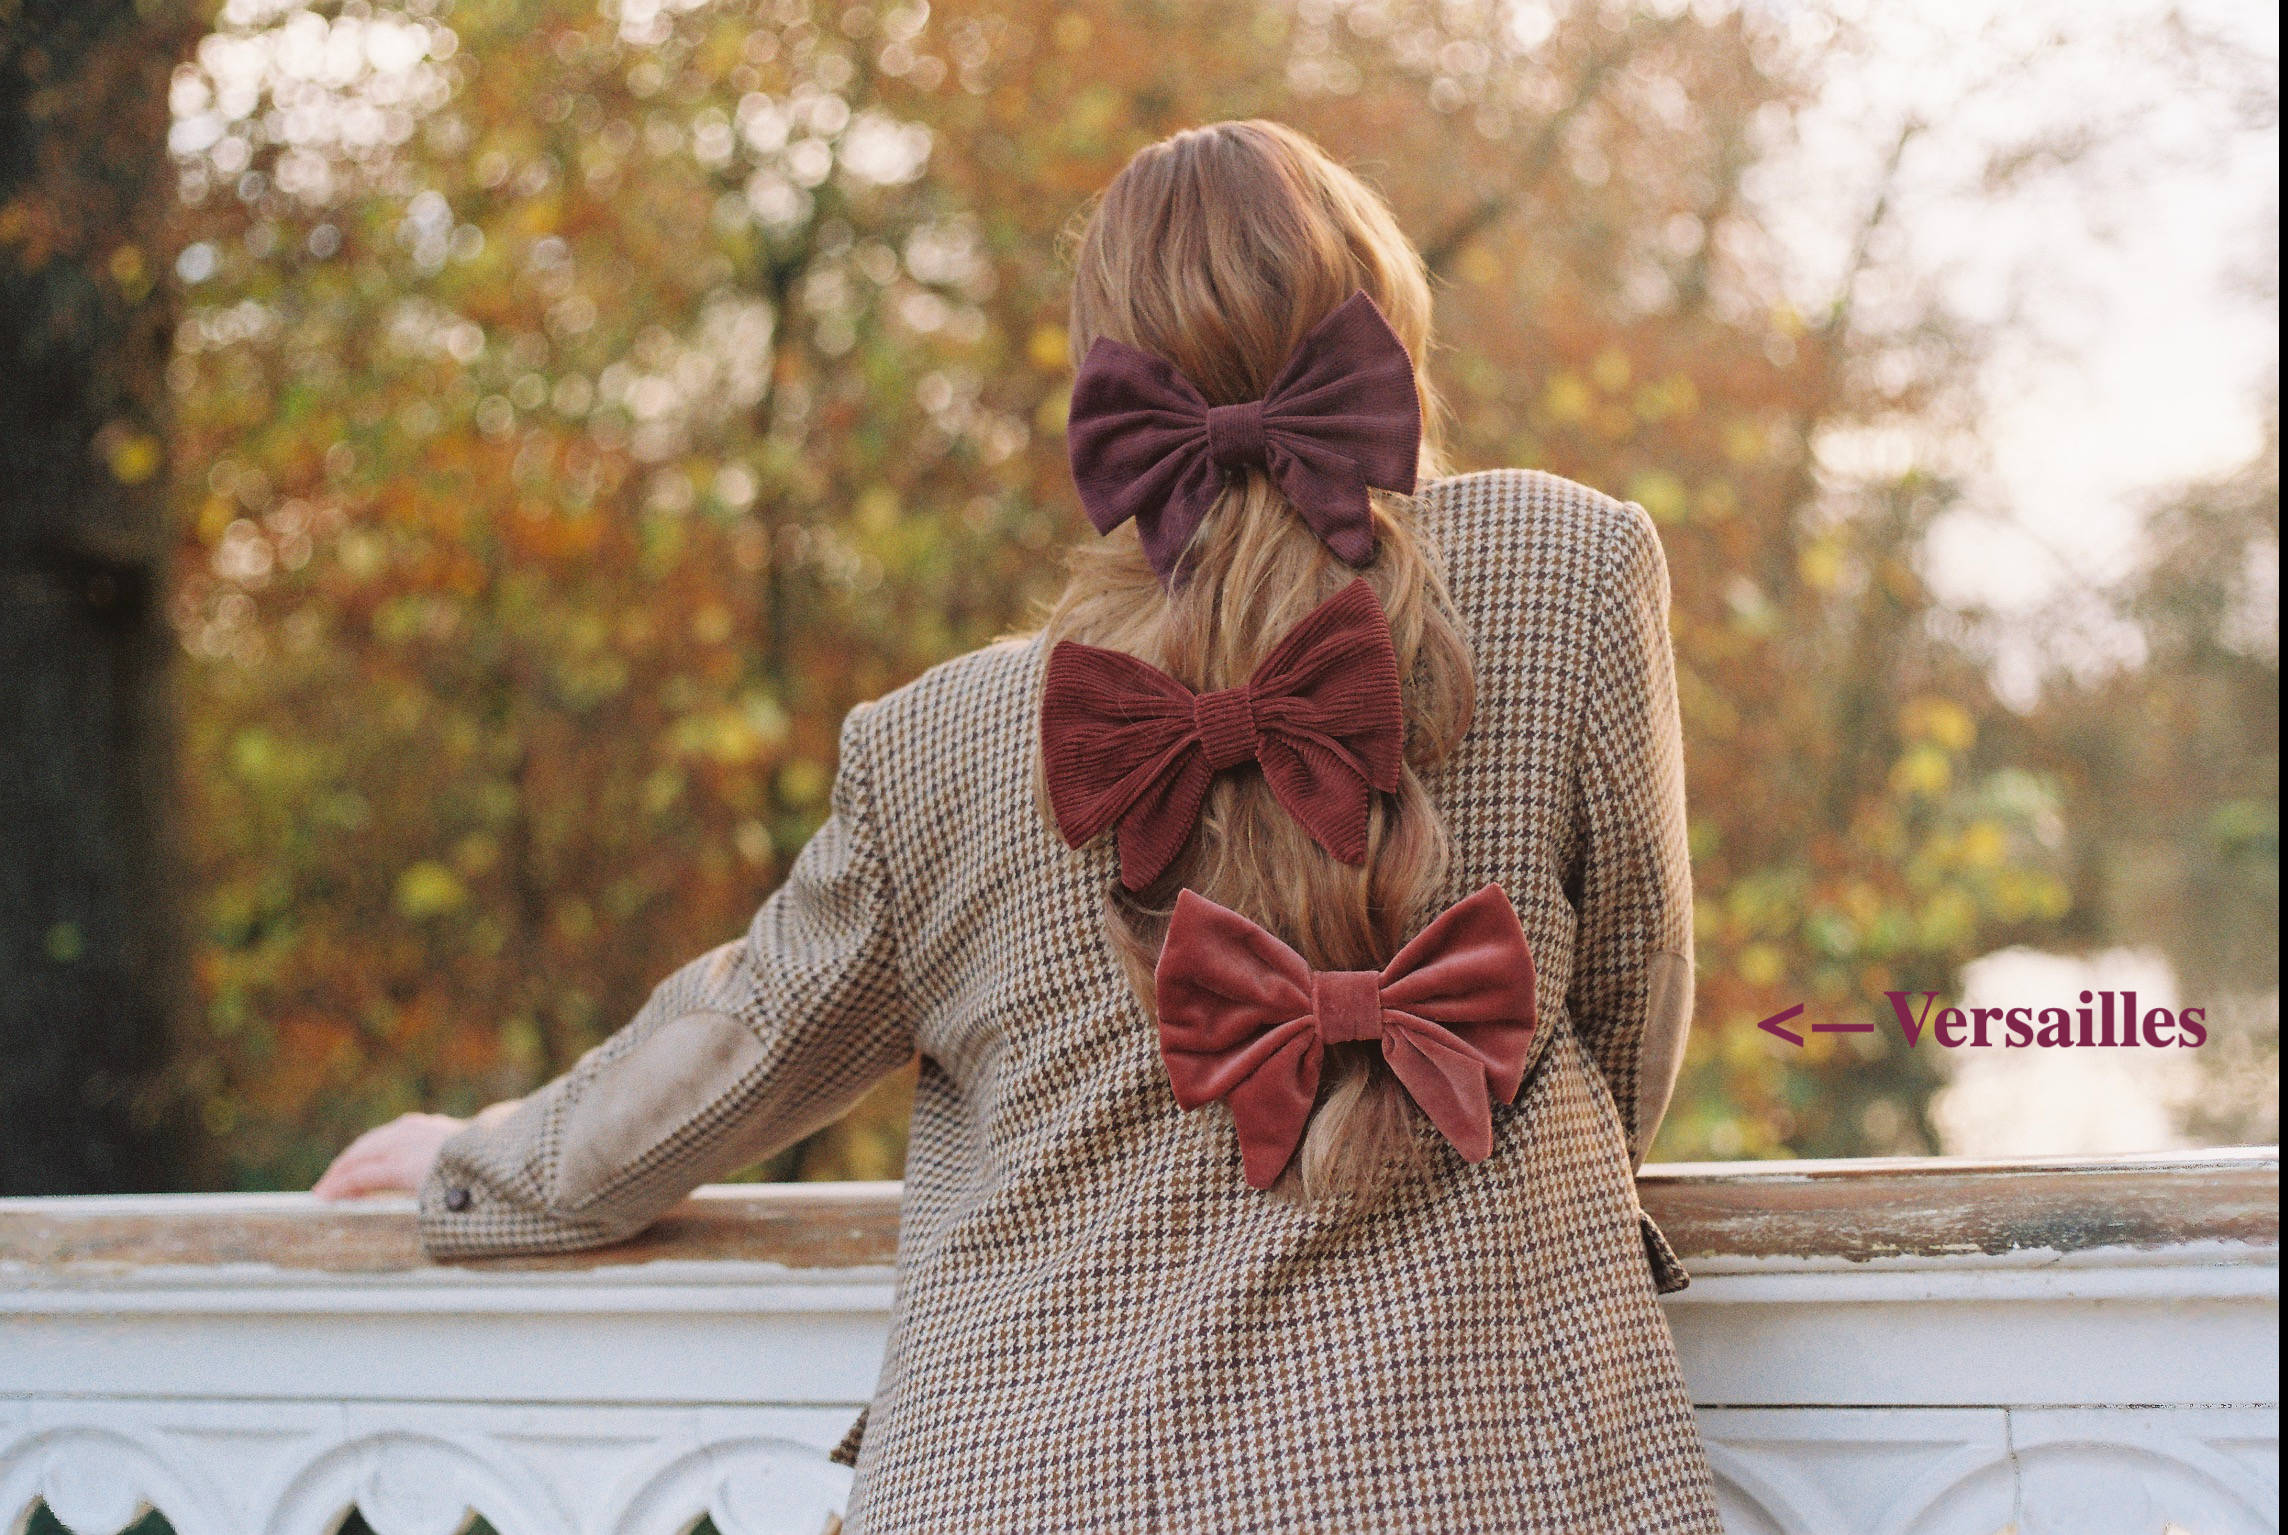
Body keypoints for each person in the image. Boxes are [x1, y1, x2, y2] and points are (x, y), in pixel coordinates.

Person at [316, 118, 1721, 1533]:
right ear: (1381, 339)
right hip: (1478, 1475)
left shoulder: (943, 742)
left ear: (1108, 389)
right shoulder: (1569, 565)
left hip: (1022, 1481)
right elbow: (1627, 989)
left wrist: (486, 1157)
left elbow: (741, 1044)